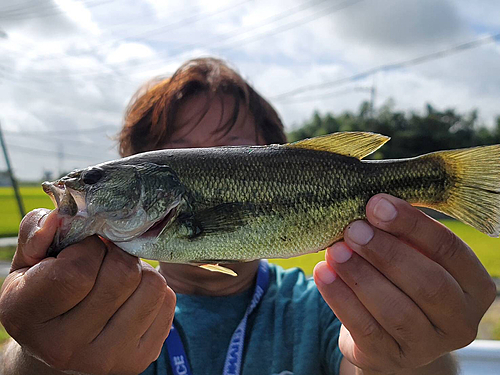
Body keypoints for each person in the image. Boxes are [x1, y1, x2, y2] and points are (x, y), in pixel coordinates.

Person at [0, 58, 496, 375]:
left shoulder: (328, 305)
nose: (206, 162)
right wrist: (38, 358)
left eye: (230, 151)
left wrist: (411, 359)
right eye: (176, 152)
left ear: (275, 152)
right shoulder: (102, 313)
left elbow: (363, 363)